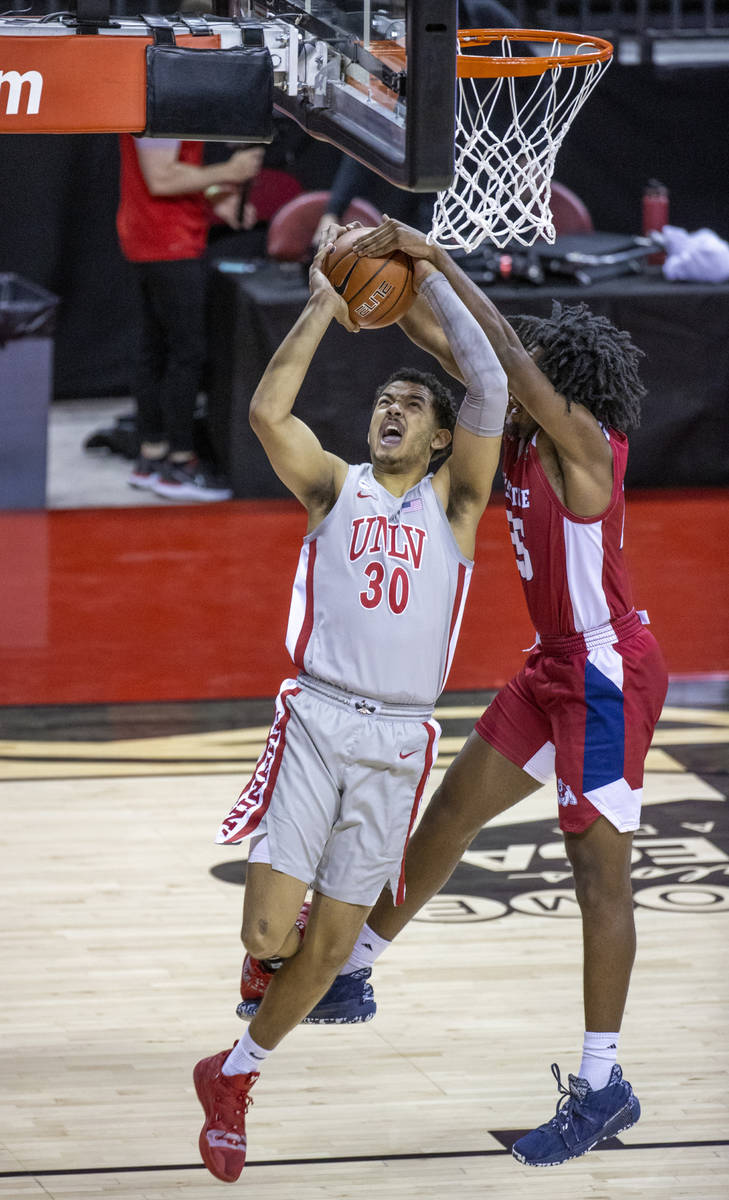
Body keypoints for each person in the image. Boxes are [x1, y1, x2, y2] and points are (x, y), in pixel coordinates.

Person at [251, 217, 669, 1169]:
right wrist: (381, 290)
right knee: (444, 820)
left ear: (571, 392)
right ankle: (351, 971)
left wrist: (439, 259)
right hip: (550, 662)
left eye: (541, 387)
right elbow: (461, 350)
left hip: (606, 672)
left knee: (599, 878)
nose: (524, 396)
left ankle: (603, 1085)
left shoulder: (585, 448)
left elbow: (510, 359)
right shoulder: (521, 427)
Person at [192, 228, 509, 1183]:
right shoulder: (335, 488)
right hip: (319, 721)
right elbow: (264, 411)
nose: (392, 408)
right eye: (384, 398)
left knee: (331, 956)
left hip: (402, 741)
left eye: (411, 402)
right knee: (266, 937)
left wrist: (441, 274)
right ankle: (263, 967)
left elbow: (490, 384)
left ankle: (233, 1077)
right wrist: (329, 301)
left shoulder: (457, 505)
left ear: (442, 435)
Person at [116, 135, 263, 501]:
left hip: (154, 236)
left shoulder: (164, 101)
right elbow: (161, 178)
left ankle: (152, 457)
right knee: (187, 352)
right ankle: (180, 463)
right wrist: (231, 171)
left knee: (157, 348)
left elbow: (178, 170)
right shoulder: (160, 105)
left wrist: (217, 196)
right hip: (168, 241)